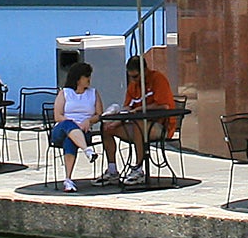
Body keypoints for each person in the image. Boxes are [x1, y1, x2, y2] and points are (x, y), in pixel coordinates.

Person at [98, 56, 174, 187]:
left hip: (160, 126)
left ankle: (138, 169)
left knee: (139, 123)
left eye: (136, 76)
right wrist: (117, 118)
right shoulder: (133, 86)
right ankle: (112, 171)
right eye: (131, 77)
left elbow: (164, 106)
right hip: (137, 124)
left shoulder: (158, 79)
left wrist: (139, 109)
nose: (133, 80)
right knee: (107, 127)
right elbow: (128, 107)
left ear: (144, 70)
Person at [50, 60, 102, 193]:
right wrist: (74, 124)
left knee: (70, 140)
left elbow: (99, 114)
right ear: (78, 78)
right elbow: (58, 116)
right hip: (62, 128)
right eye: (86, 76)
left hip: (83, 131)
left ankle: (68, 179)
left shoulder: (93, 93)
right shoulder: (65, 93)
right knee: (68, 125)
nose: (89, 79)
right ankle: (87, 150)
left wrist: (89, 121)